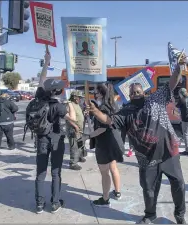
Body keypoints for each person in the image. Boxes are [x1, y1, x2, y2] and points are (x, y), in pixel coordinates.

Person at [87, 60, 187, 224]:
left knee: (178, 185)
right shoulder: (125, 112)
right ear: (129, 96)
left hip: (169, 152)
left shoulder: (155, 99)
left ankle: (179, 214)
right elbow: (108, 120)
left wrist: (177, 68)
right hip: (147, 159)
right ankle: (150, 215)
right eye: (133, 93)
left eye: (138, 91)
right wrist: (95, 111)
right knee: (148, 190)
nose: (136, 94)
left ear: (144, 91)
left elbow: (171, 83)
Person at [30, 48, 76, 214]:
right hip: (56, 140)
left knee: (40, 173)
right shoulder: (59, 106)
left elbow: (42, 79)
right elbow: (73, 118)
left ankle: (39, 205)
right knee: (56, 173)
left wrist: (46, 61)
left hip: (41, 139)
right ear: (57, 91)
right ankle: (55, 202)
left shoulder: (39, 97)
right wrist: (69, 103)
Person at [84, 83, 125, 207]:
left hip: (104, 144)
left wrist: (88, 136)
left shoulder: (103, 108)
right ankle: (117, 192)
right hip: (113, 142)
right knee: (113, 167)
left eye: (96, 92)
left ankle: (105, 198)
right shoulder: (114, 105)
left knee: (104, 172)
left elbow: (101, 128)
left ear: (102, 93)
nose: (94, 94)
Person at [67, 90, 86, 170]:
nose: (81, 99)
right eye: (79, 97)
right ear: (75, 97)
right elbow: (68, 118)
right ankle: (73, 163)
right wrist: (75, 126)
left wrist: (84, 113)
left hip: (80, 129)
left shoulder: (77, 104)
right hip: (73, 129)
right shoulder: (69, 104)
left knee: (80, 144)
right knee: (74, 146)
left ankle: (79, 157)